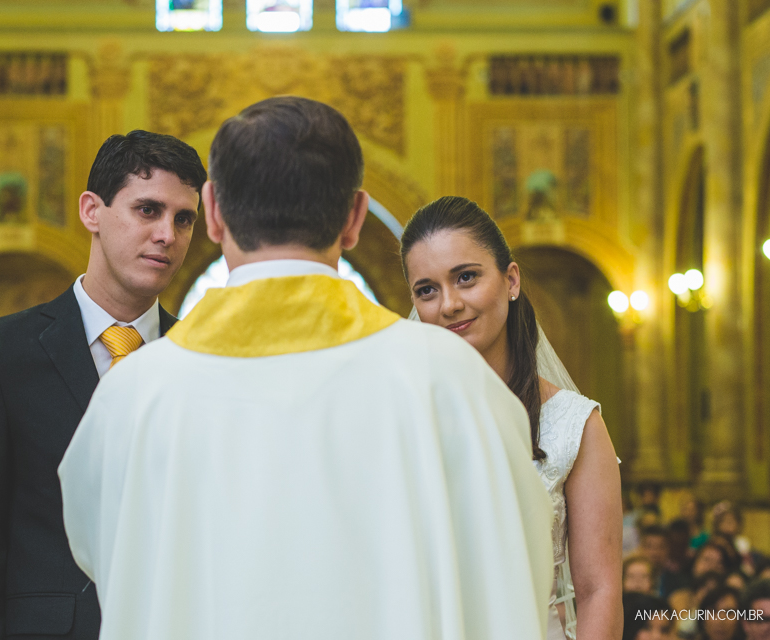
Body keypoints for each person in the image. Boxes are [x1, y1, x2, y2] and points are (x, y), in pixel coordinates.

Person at [59, 96, 554, 640]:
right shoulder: (452, 382)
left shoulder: (134, 392)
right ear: (355, 218)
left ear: (214, 213)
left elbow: (108, 559)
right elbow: (513, 567)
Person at [0, 129, 206, 640]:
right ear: (92, 211)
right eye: (147, 210)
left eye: (183, 218)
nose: (168, 235)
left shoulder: (201, 358)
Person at [400, 195, 623, 640]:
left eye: (466, 278)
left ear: (511, 280)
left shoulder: (573, 425)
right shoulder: (403, 417)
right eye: (427, 289)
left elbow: (599, 590)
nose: (448, 304)